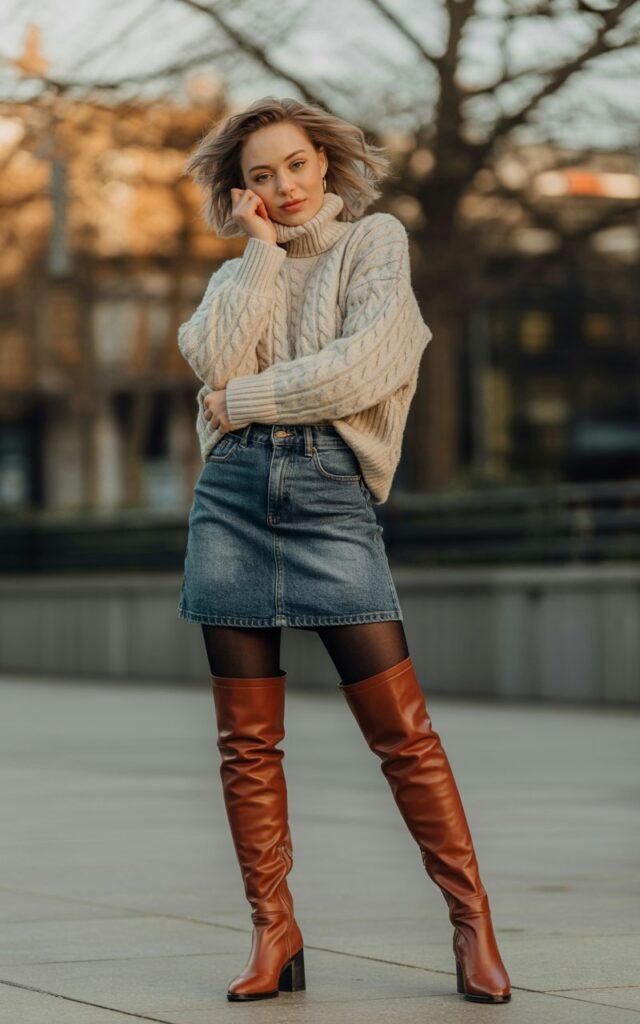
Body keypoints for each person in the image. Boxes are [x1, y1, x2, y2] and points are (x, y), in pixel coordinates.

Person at [176, 96, 511, 1005]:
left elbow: (366, 367)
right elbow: (213, 360)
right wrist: (260, 254)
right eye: (260, 177)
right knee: (247, 742)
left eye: (295, 164)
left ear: (324, 161)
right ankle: (273, 932)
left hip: (330, 494)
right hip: (232, 498)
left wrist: (247, 401)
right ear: (241, 192)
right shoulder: (235, 275)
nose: (283, 187)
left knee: (402, 733)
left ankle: (472, 923)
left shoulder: (376, 242)